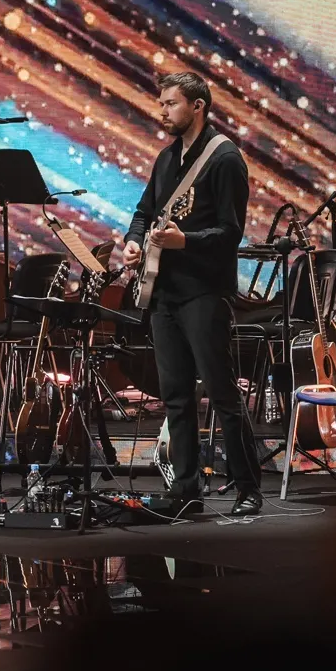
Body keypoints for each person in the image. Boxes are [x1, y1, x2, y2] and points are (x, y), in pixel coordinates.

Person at [124, 72, 262, 515]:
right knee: (176, 396)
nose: (162, 111)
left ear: (198, 105)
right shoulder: (166, 159)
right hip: (165, 293)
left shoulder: (225, 159)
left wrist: (187, 241)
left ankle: (247, 488)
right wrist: (133, 240)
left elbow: (230, 233)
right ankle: (186, 488)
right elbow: (145, 211)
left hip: (204, 291)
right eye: (161, 103)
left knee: (222, 393)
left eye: (171, 103)